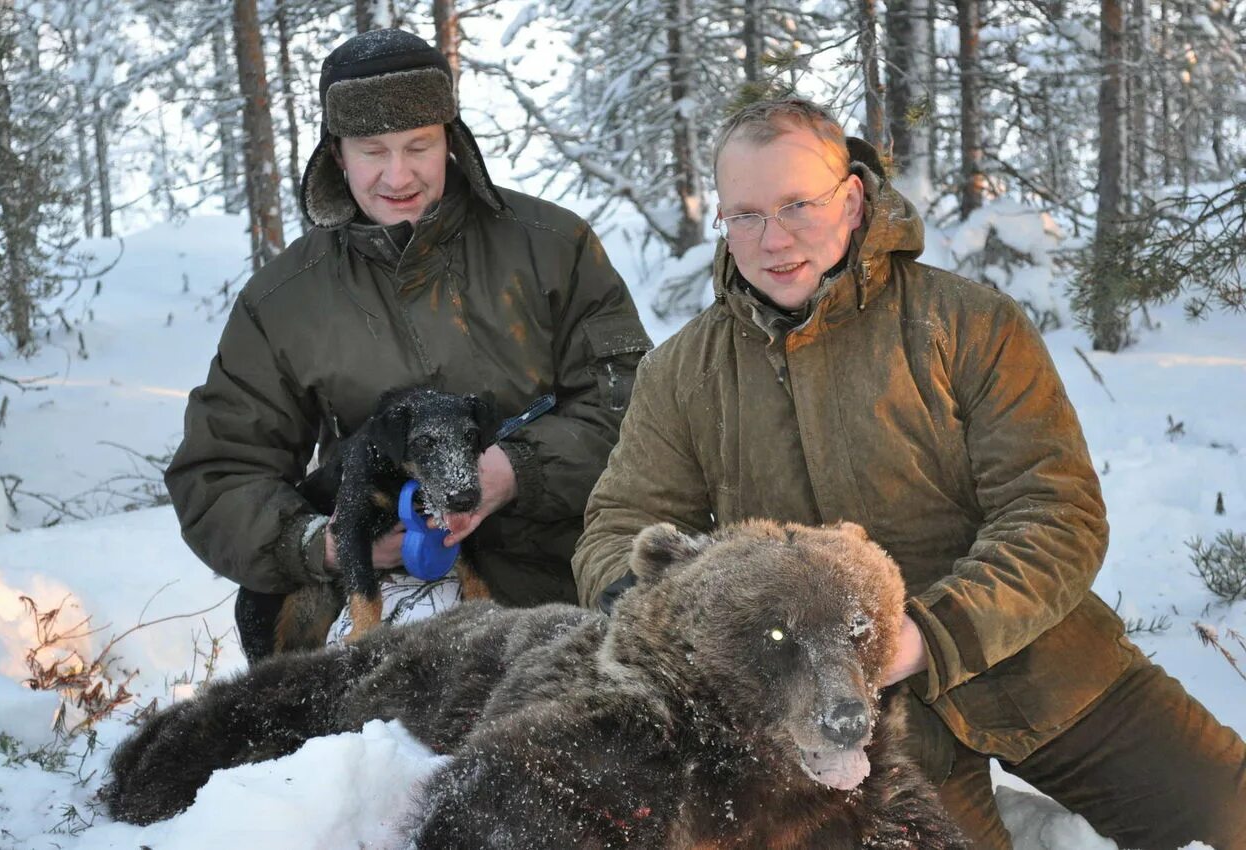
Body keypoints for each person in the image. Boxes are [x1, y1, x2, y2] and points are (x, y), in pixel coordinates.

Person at [573, 97, 1246, 849]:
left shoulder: (966, 324)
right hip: (822, 717)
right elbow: (617, 527)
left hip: (1039, 661)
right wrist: (666, 619)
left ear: (853, 199)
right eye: (746, 215)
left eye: (798, 204)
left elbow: (1056, 514)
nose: (772, 239)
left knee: (1229, 812)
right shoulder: (683, 372)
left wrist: (929, 634)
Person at [166, 28, 651, 664]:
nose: (399, 175)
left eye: (419, 146)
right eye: (373, 151)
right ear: (337, 156)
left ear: (451, 140)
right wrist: (331, 544)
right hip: (377, 587)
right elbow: (219, 471)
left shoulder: (553, 247)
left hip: (555, 570)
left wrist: (517, 470)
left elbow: (635, 407)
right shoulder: (283, 299)